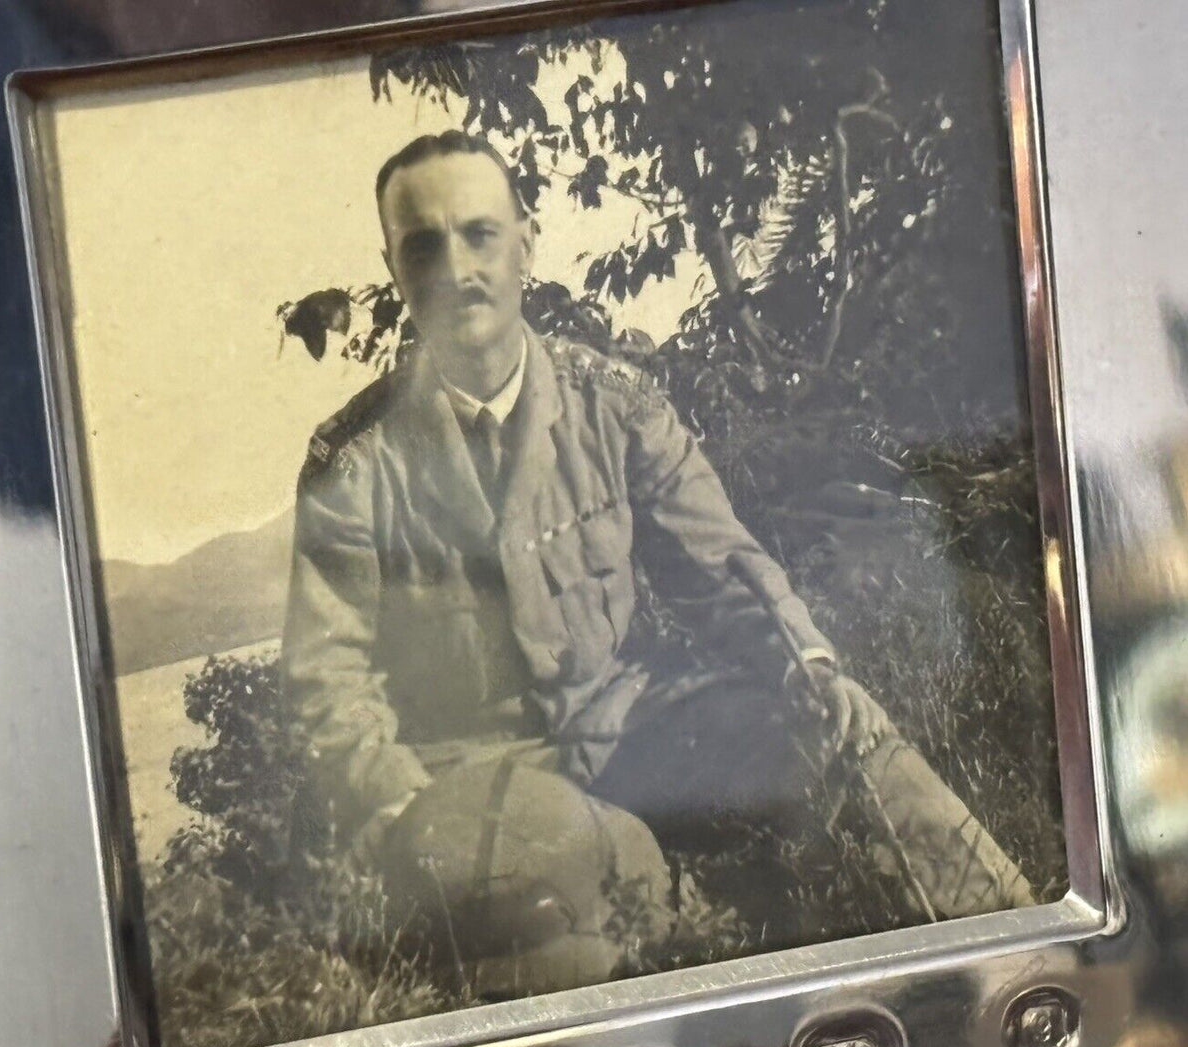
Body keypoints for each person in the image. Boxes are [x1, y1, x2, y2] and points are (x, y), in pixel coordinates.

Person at [281, 131, 1035, 977]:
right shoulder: (354, 462)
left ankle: (1023, 968)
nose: (456, 266)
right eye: (423, 244)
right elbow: (328, 678)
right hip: (473, 777)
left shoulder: (614, 402)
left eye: (480, 234)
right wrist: (409, 821)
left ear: (524, 240)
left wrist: (808, 666)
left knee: (846, 739)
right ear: (393, 268)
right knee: (594, 879)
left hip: (631, 727)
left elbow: (720, 566)